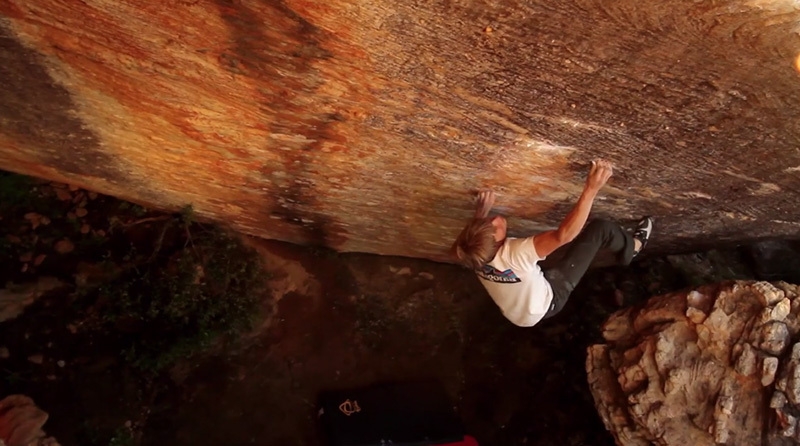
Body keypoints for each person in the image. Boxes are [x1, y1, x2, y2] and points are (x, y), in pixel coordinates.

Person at [451, 159, 653, 327]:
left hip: (517, 310)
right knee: (600, 229)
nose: (495, 221)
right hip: (547, 303)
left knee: (533, 271)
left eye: (487, 223)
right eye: (494, 229)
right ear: (498, 246)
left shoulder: (472, 254)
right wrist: (591, 189)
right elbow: (564, 235)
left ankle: (535, 281)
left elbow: (459, 249)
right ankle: (634, 248)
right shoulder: (516, 254)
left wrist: (480, 213)